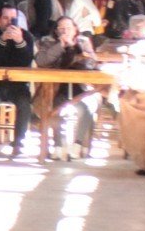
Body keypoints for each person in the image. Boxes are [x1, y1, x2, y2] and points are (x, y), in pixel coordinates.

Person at [36, 14, 101, 160]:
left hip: (81, 88)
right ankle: (59, 146)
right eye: (61, 28)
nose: (65, 31)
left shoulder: (83, 41)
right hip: (56, 88)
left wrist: (74, 48)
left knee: (87, 108)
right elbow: (42, 61)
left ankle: (77, 145)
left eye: (68, 28)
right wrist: (60, 46)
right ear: (56, 31)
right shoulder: (48, 42)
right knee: (52, 109)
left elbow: (91, 63)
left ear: (75, 30)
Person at [0, 4, 36, 158]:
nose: (9, 22)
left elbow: (26, 60)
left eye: (13, 18)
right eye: (5, 18)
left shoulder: (27, 37)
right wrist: (3, 39)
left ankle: (18, 143)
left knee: (25, 103)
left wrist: (19, 42)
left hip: (18, 86)